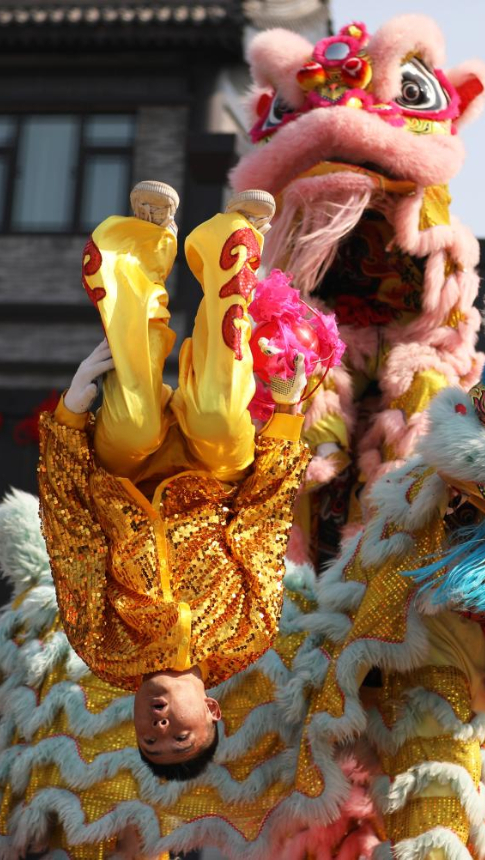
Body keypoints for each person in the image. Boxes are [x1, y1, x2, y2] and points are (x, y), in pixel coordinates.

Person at [38, 182, 311, 780]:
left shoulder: (101, 646)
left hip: (126, 471)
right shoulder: (247, 635)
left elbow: (69, 533)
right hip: (216, 472)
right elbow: (263, 525)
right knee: (217, 413)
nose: (158, 726)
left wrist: (69, 417)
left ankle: (142, 246)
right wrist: (287, 417)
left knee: (133, 417)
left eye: (148, 738)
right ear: (211, 711)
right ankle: (231, 243)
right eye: (178, 735)